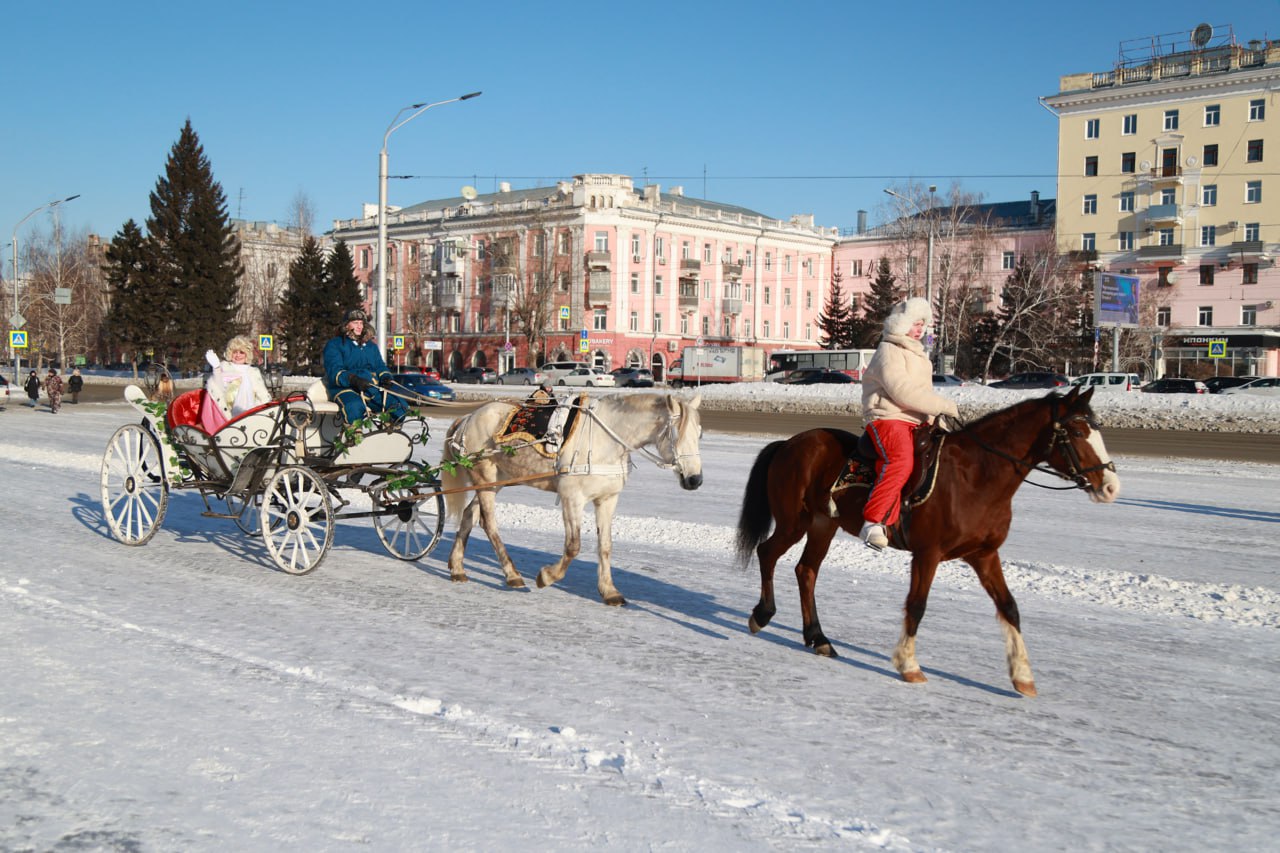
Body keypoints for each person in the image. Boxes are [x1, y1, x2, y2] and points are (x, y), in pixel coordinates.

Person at [858, 297, 959, 551]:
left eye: (923, 324)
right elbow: (901, 392)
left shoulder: (919, 355)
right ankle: (873, 522)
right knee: (900, 460)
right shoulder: (888, 351)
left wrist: (938, 419)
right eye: (915, 323)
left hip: (917, 421)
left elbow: (922, 392)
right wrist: (942, 405)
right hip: (888, 417)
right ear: (901, 324)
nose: (920, 329)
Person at [322, 308, 407, 424]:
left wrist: (386, 377)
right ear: (346, 325)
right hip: (346, 388)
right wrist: (353, 379)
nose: (359, 326)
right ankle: (353, 435)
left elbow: (380, 366)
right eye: (355, 323)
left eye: (361, 323)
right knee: (355, 406)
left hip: (371, 388)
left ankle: (389, 431)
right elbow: (334, 371)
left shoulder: (371, 346)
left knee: (399, 404)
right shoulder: (335, 344)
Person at [201, 335, 272, 431]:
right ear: (230, 353)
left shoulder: (253, 372)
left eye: (241, 352)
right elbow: (218, 389)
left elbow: (263, 396)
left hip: (251, 417)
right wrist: (217, 369)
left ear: (247, 355)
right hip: (227, 418)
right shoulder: (225, 368)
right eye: (235, 352)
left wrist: (257, 411)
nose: (238, 355)